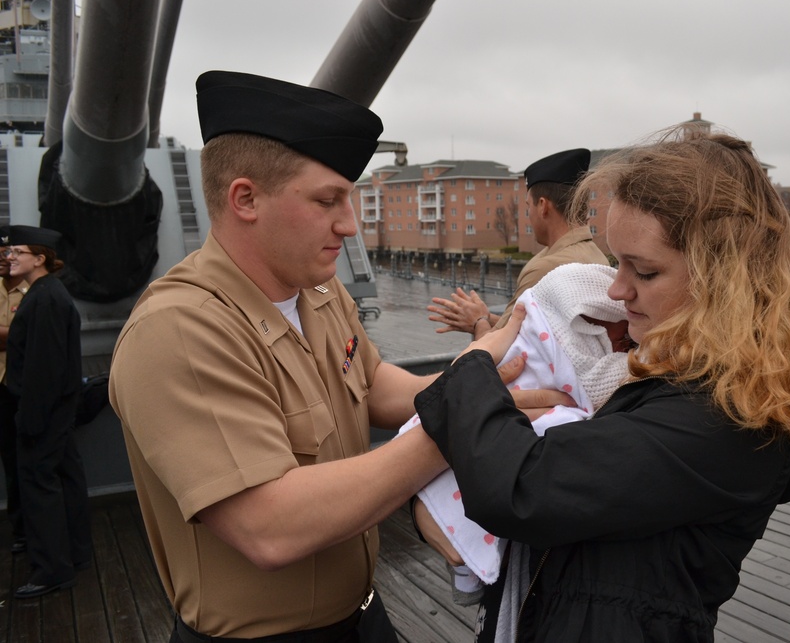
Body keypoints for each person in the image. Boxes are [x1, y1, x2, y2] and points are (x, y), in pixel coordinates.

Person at [108, 71, 564, 642]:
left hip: (361, 616)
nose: (349, 225)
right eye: (327, 201)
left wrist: (478, 384)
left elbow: (371, 382)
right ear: (245, 198)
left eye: (348, 198)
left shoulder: (318, 291)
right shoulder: (180, 330)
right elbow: (269, 526)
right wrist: (461, 418)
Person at [413, 129, 790, 642]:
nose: (617, 290)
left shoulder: (727, 419)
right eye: (617, 262)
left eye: (644, 271)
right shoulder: (689, 377)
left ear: (725, 279)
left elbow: (521, 489)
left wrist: (473, 368)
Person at [403, 263, 629, 614]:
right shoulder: (566, 285)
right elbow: (532, 336)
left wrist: (471, 375)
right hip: (546, 592)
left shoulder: (550, 269)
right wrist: (472, 377)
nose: (620, 289)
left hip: (559, 596)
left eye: (645, 270)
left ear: (540, 206)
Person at [428, 148, 608, 338]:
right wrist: (487, 318)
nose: (528, 215)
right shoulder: (595, 255)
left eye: (528, 206)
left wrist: (477, 322)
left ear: (543, 206)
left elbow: (492, 353)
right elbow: (532, 332)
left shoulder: (546, 268)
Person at [4, 225, 91, 598]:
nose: (9, 257)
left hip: (43, 412)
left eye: (17, 252)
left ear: (39, 259)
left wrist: (29, 419)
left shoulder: (43, 300)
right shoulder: (49, 295)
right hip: (55, 410)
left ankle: (52, 571)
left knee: (39, 486)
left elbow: (44, 366)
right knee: (65, 478)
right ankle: (74, 553)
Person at [0, 225, 30, 554]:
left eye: (10, 254)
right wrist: (17, 333)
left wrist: (14, 334)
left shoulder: (34, 293)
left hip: (25, 386)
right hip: (2, 387)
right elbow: (21, 333)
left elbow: (29, 333)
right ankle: (20, 528)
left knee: (35, 458)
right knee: (10, 457)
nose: (6, 259)